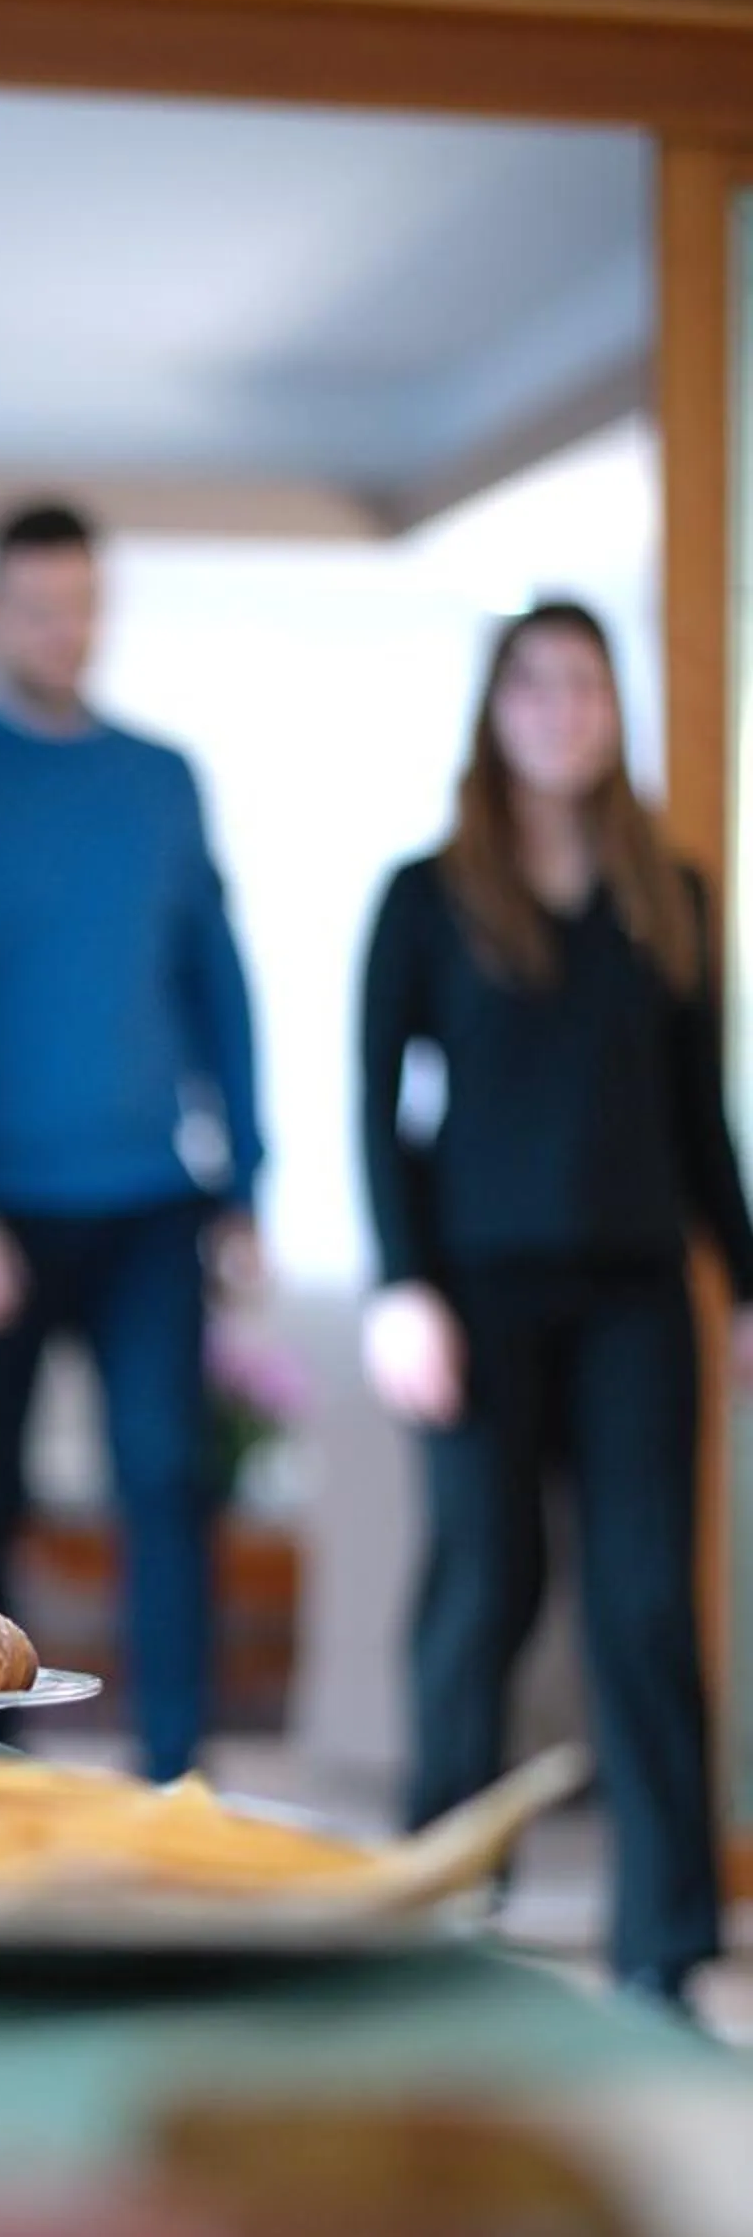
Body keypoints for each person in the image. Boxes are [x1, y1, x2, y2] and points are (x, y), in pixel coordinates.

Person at [359, 597, 753, 2012]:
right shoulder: (427, 894)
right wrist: (403, 1288)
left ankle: (665, 1947)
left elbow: (698, 1117)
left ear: (611, 709)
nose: (558, 709)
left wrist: (749, 1282)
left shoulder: (673, 894)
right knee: (485, 1594)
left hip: (641, 1299)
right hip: (477, 1299)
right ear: (497, 708)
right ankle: (438, 1913)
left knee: (645, 1608)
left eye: (583, 686)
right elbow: (384, 1112)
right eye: (533, 685)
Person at [0, 500, 264, 1783]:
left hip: (150, 1198)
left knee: (165, 1481)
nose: (64, 630)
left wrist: (244, 1179)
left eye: (83, 604)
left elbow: (216, 987)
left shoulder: (160, 780)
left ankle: (171, 1779)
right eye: (38, 606)